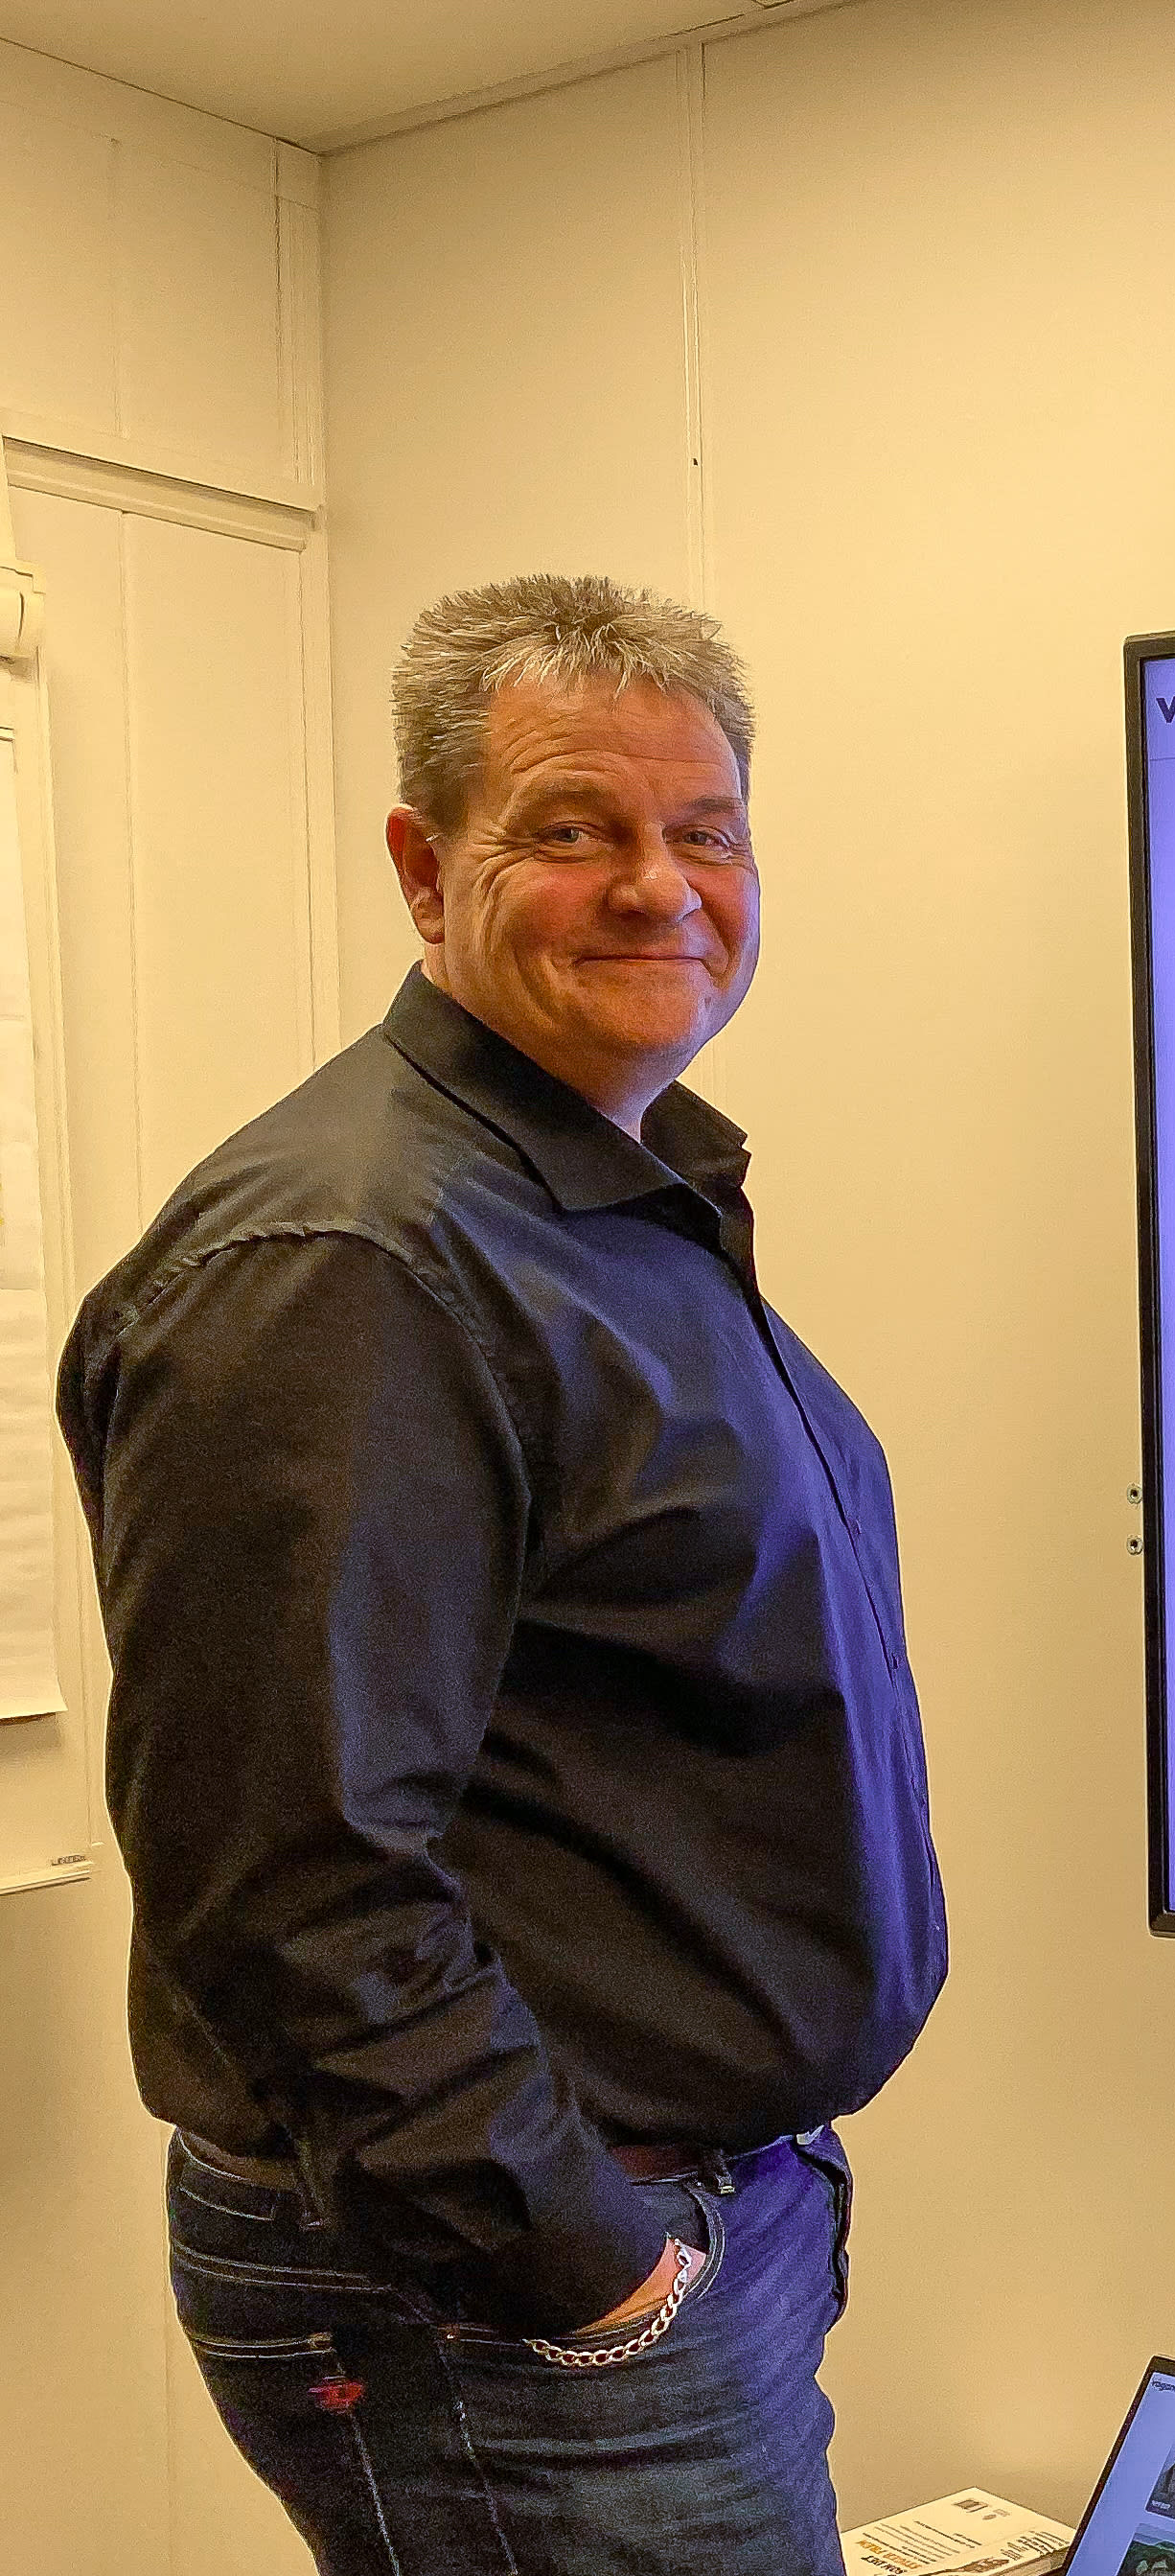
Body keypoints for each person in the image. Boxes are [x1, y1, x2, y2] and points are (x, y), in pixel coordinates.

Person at [59, 574, 943, 2572]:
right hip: (506, 2289)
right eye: (571, 827)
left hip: (669, 2218)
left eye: (704, 829)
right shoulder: (352, 1262)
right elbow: (286, 1868)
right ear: (421, 865)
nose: (658, 885)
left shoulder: (600, 1199)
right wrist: (582, 2264)